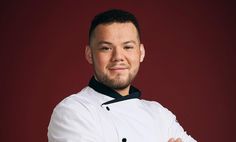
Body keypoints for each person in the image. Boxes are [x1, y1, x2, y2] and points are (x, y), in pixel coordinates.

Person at [48, 9, 197, 142]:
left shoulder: (160, 114)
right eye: (106, 48)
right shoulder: (72, 111)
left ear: (141, 53)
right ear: (89, 54)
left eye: (128, 47)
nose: (118, 56)